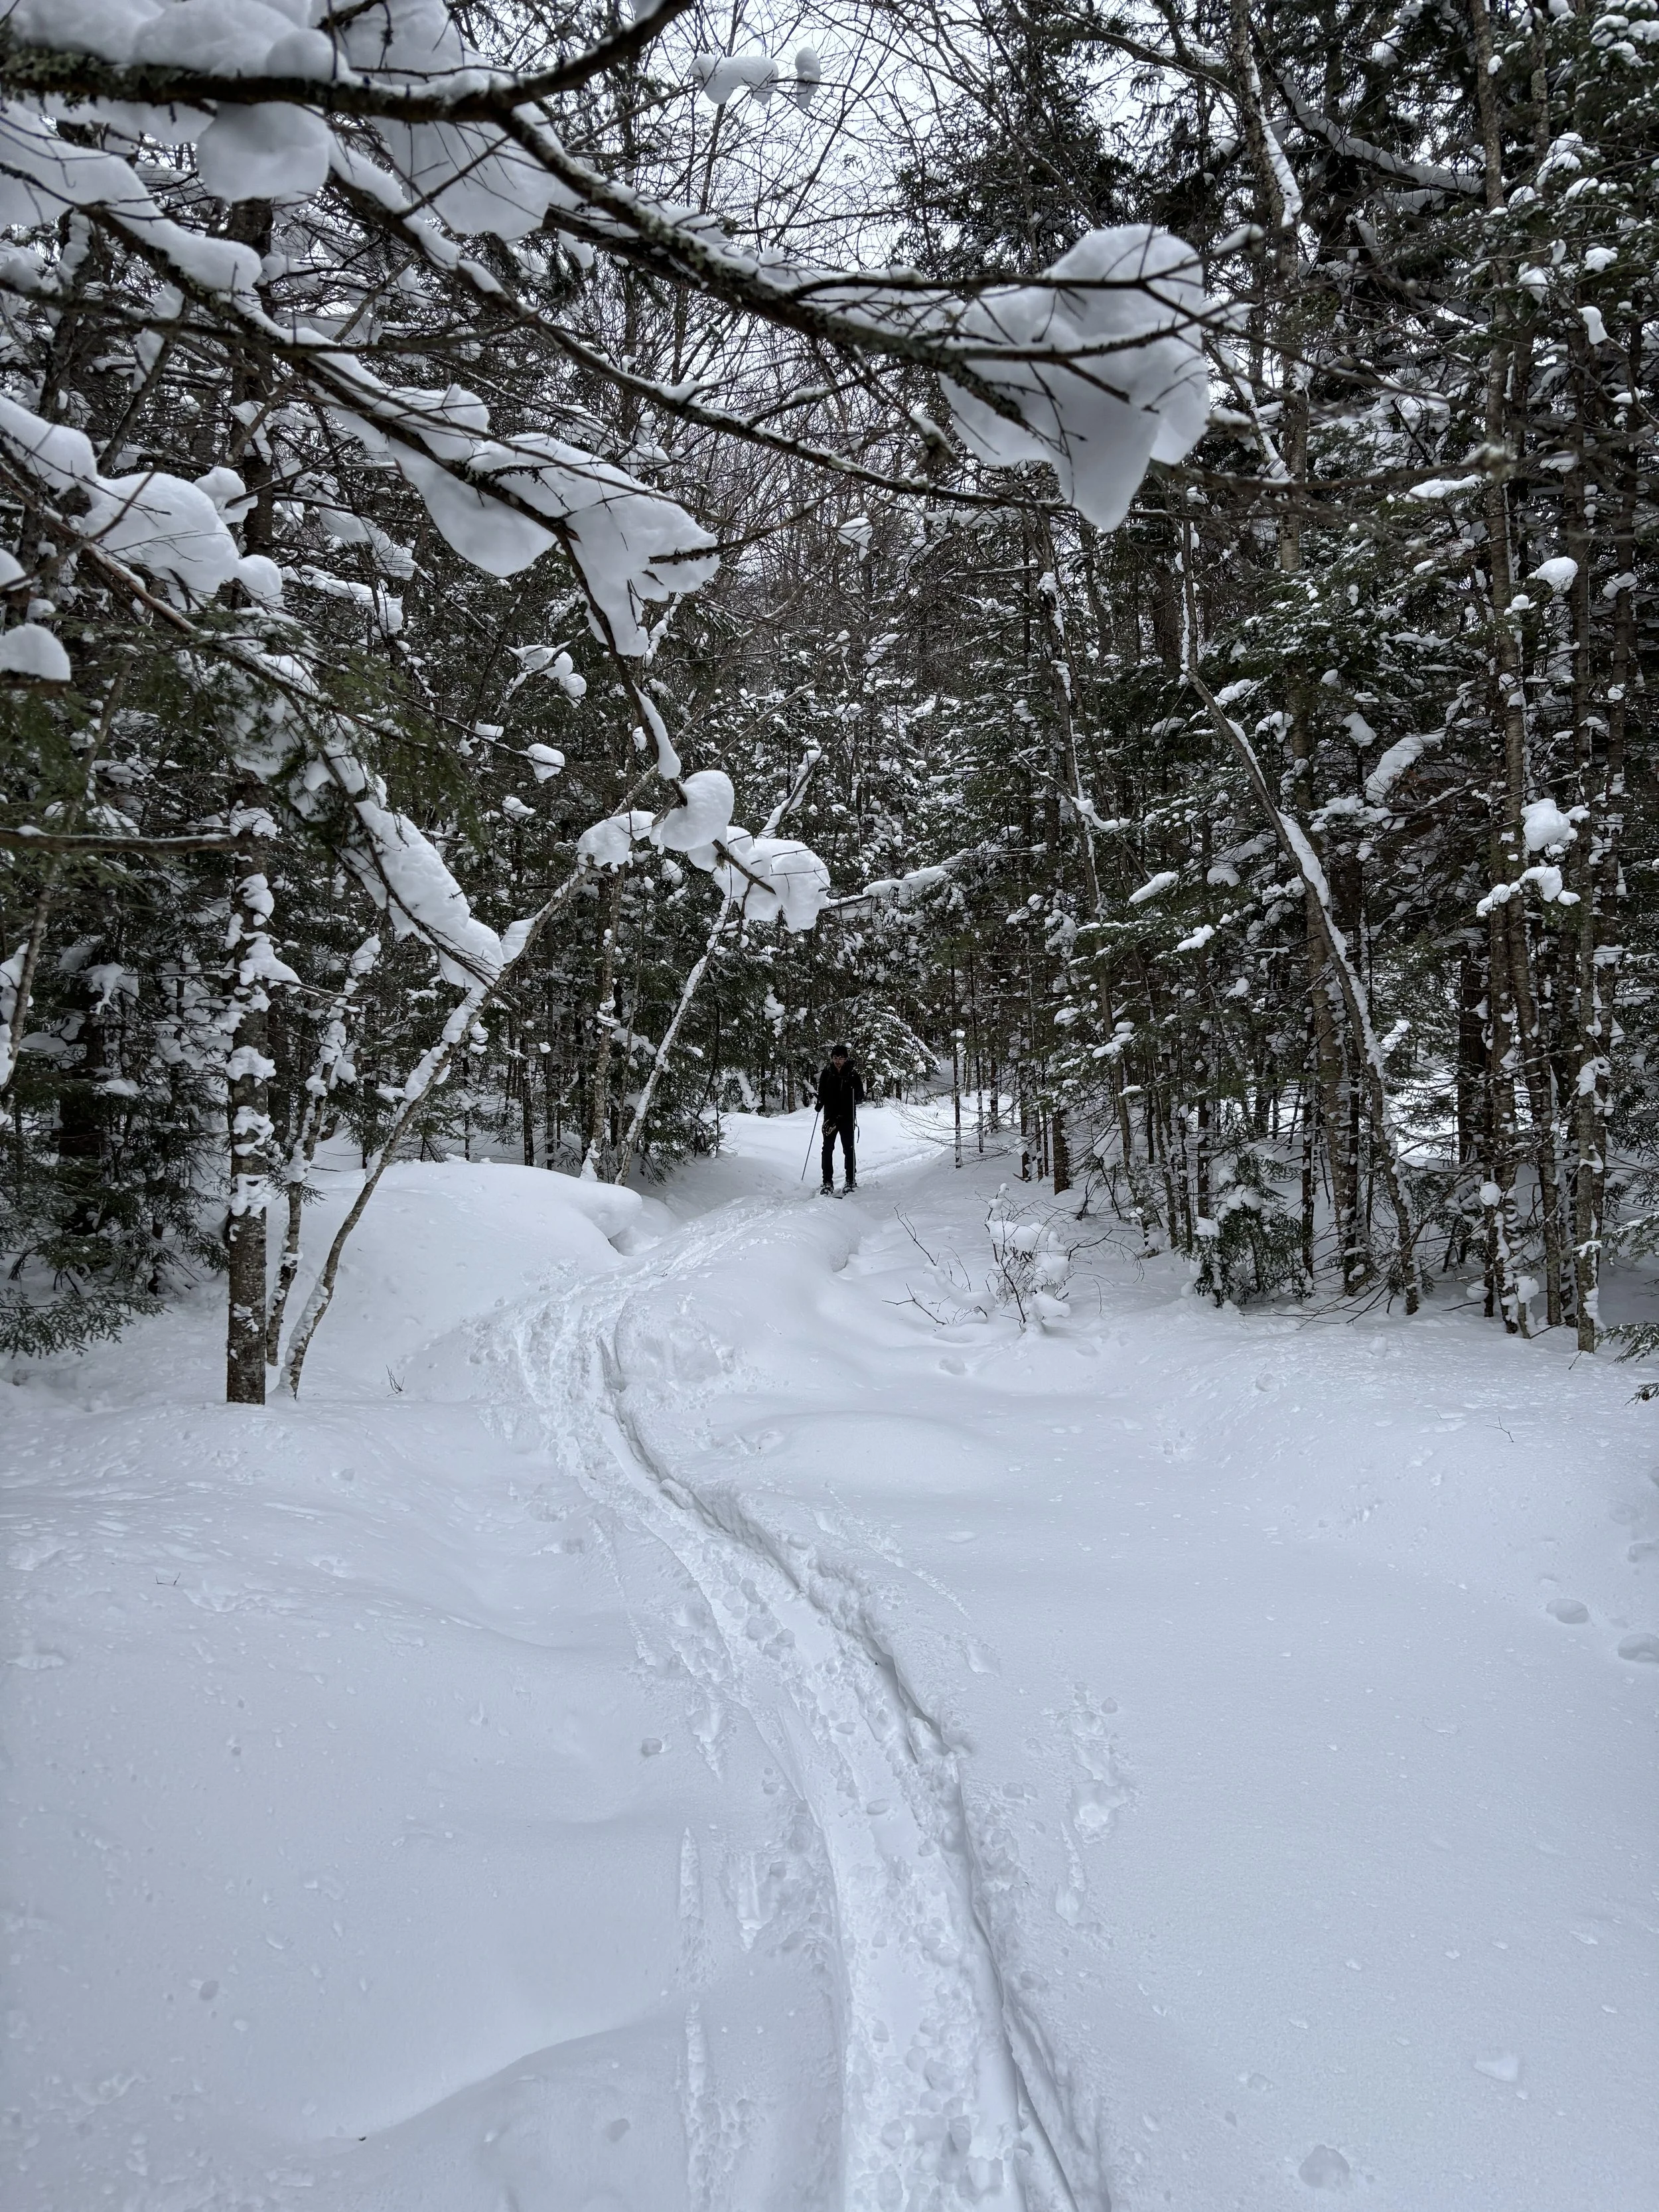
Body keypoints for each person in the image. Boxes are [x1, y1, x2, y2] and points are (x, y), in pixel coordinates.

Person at [816, 1044, 865, 1193]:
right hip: (830, 1116)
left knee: (849, 1149)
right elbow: (822, 1091)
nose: (838, 1061)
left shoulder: (852, 1074)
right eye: (836, 1058)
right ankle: (827, 1182)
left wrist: (855, 1094)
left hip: (847, 1116)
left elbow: (860, 1096)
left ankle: (850, 1180)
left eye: (841, 1058)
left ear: (846, 1059)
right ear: (832, 1058)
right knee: (827, 1149)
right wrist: (820, 1102)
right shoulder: (827, 1072)